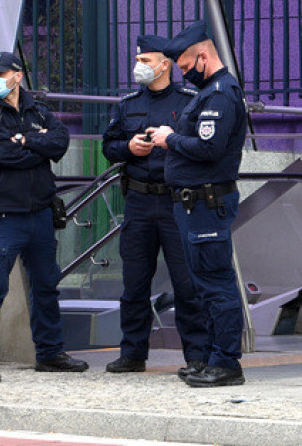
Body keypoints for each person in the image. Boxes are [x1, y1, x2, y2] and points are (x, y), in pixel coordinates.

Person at [0, 51, 87, 383]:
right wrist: (37, 146)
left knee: (46, 285)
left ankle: (49, 353)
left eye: (0, 73)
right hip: (3, 215)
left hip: (41, 214)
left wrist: (26, 140)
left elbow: (59, 143)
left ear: (17, 76)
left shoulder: (39, 111)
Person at [147, 20, 248, 387]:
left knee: (216, 284)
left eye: (188, 67)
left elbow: (209, 148)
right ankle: (209, 357)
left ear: (204, 56)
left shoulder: (220, 93)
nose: (185, 75)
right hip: (193, 204)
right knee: (203, 284)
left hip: (207, 203)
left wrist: (170, 138)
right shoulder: (208, 94)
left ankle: (226, 362)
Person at [101, 34, 208, 375]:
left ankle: (197, 356)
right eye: (138, 60)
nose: (139, 67)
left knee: (187, 283)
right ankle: (132, 353)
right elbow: (109, 145)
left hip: (177, 201)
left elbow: (202, 143)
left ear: (165, 64)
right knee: (134, 281)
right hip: (138, 201)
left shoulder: (190, 99)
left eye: (145, 61)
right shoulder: (128, 103)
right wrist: (129, 148)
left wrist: (170, 142)